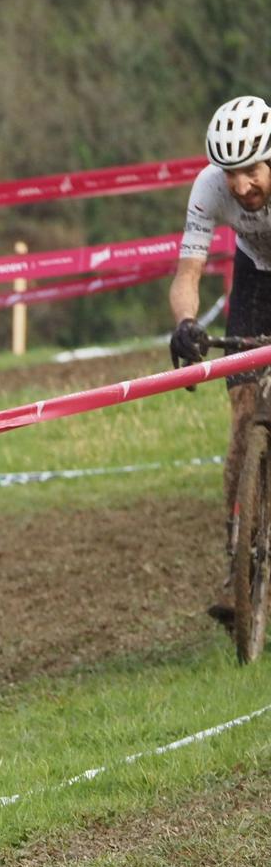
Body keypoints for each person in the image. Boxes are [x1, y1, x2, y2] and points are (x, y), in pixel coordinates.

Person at [165, 94, 271, 624]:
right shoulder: (209, 189)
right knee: (242, 415)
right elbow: (188, 273)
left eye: (251, 170)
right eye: (231, 173)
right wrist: (186, 325)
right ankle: (239, 572)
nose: (240, 186)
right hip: (255, 278)